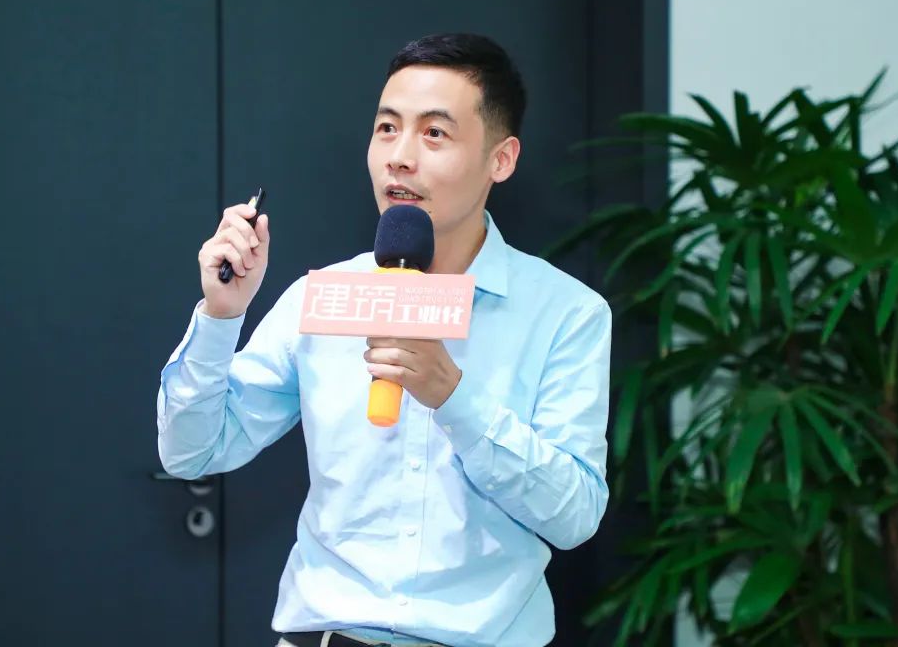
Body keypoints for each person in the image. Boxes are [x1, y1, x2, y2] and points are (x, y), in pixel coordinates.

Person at [157, 33, 611, 647]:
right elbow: (191, 452)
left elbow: (574, 516)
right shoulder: (323, 296)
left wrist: (455, 398)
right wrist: (220, 316)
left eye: (434, 133)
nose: (399, 157)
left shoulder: (567, 313)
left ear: (501, 160)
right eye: (387, 129)